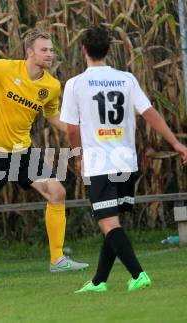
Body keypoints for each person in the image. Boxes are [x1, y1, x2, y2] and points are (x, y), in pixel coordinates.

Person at [60, 26, 187, 293]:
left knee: (109, 224)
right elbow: (149, 113)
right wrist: (175, 143)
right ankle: (98, 281)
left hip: (101, 164)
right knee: (113, 223)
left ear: (84, 50)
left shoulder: (76, 84)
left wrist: (79, 155)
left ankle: (139, 274)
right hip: (126, 163)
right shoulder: (126, 79)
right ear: (109, 50)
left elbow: (72, 129)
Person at [0, 29, 88, 272]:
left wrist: (77, 130)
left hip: (22, 152)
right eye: (44, 50)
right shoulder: (6, 68)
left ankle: (57, 260)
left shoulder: (52, 85)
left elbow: (53, 116)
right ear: (30, 52)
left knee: (57, 192)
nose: (50, 54)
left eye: (51, 50)